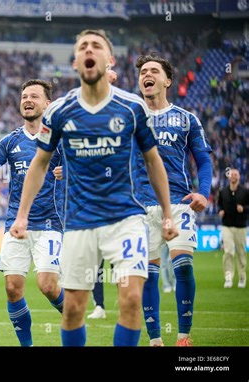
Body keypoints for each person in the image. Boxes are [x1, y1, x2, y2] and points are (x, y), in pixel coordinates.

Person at [10, 30, 178, 347]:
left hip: (126, 219)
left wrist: (168, 213)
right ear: (76, 62)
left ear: (109, 60)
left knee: (130, 299)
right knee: (73, 308)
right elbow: (40, 163)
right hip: (78, 223)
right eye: (82, 47)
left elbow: (153, 161)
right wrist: (21, 215)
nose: (89, 49)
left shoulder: (131, 107)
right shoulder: (59, 111)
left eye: (96, 45)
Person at [0, 80, 64, 346]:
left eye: (34, 96)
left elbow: (90, 170)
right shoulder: (11, 140)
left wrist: (71, 173)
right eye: (24, 96)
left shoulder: (61, 138)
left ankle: (72, 315)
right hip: (16, 224)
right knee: (12, 288)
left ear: (47, 104)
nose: (27, 100)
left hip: (51, 223)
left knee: (48, 286)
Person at [136, 54, 213, 347]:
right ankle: (155, 340)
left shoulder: (186, 118)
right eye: (143, 71)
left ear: (167, 81)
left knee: (182, 266)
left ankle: (183, 336)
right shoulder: (130, 116)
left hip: (180, 203)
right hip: (141, 207)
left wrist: (203, 193)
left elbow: (203, 160)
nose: (148, 74)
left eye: (154, 70)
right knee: (148, 274)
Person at [86, 68, 118, 321]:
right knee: (95, 265)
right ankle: (99, 305)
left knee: (119, 262)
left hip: (117, 209)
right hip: (93, 211)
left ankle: (125, 302)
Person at [218, 168, 249, 289]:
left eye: (236, 174)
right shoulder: (223, 191)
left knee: (241, 253)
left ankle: (242, 277)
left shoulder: (246, 192)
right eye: (232, 174)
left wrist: (244, 209)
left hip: (241, 226)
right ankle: (228, 277)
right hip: (226, 225)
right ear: (229, 177)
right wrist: (220, 210)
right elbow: (219, 204)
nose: (233, 176)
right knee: (228, 251)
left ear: (239, 177)